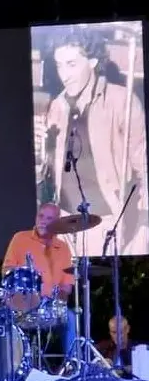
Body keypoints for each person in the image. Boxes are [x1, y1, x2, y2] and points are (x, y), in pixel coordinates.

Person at [35, 25, 148, 256]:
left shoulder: (121, 101)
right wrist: (40, 153)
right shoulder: (57, 106)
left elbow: (144, 169)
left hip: (105, 223)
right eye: (59, 65)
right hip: (64, 222)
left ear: (93, 62)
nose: (64, 75)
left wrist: (144, 227)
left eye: (72, 64)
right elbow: (48, 176)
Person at [2, 202, 76, 358]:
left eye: (49, 218)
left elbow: (67, 288)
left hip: (49, 307)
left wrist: (56, 297)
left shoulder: (63, 248)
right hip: (21, 305)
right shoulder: (20, 238)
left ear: (57, 222)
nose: (43, 221)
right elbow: (6, 271)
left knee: (70, 317)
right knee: (3, 317)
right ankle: (12, 365)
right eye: (41, 216)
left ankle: (72, 364)